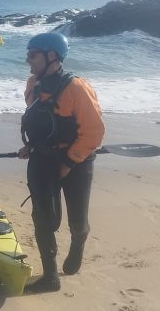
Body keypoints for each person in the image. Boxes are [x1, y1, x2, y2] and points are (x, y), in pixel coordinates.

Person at [17, 32, 105, 294]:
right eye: (28, 54)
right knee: (43, 218)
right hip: (42, 158)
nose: (28, 60)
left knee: (76, 219)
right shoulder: (33, 83)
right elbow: (38, 121)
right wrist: (31, 145)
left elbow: (94, 132)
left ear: (51, 56)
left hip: (77, 161)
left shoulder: (77, 88)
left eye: (33, 54)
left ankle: (79, 239)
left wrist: (68, 161)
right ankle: (50, 277)